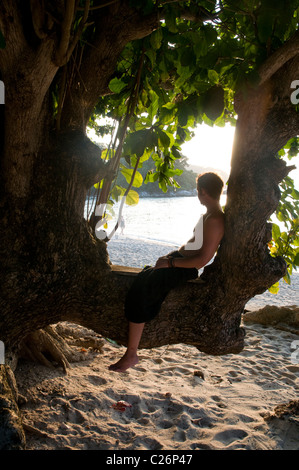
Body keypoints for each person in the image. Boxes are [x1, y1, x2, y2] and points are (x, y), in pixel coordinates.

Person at [109, 172, 225, 372]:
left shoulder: (215, 220)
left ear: (203, 191)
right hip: (178, 261)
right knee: (142, 278)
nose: (198, 194)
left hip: (183, 268)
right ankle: (130, 350)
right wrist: (171, 258)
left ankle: (131, 354)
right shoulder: (209, 214)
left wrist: (171, 263)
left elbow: (203, 259)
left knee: (146, 290)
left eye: (198, 191)